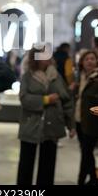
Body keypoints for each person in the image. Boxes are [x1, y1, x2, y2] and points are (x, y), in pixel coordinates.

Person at [17, 45, 75, 185]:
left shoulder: (56, 76)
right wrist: (45, 100)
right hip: (31, 126)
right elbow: (24, 99)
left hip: (52, 125)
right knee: (26, 165)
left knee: (48, 166)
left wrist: (71, 125)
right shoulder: (28, 76)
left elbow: (66, 101)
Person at [74, 50, 98, 185]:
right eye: (86, 59)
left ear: (97, 62)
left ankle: (82, 180)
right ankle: (94, 180)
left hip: (92, 123)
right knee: (86, 153)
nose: (89, 61)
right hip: (79, 119)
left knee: (86, 152)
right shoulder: (80, 78)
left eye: (92, 59)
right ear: (82, 63)